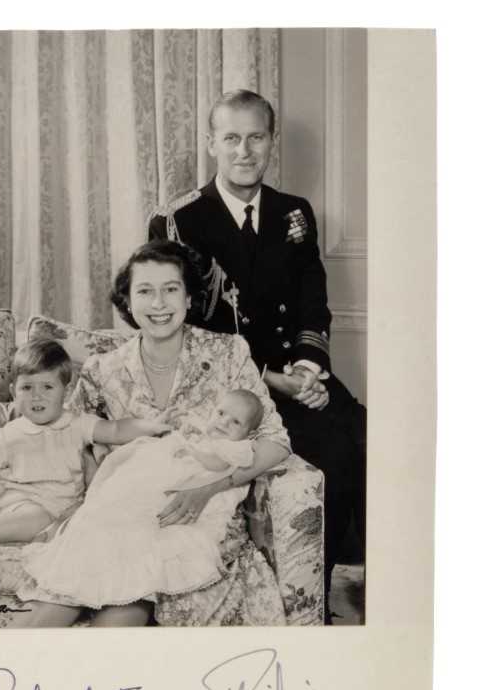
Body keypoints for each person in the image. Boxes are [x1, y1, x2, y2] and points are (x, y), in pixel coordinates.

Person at [148, 88, 366, 610]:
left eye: (255, 138)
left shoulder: (295, 213)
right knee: (329, 453)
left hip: (296, 370)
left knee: (361, 436)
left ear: (270, 143)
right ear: (211, 145)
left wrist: (310, 368)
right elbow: (185, 329)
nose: (244, 151)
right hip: (227, 390)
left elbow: (314, 300)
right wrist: (272, 378)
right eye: (231, 138)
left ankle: (328, 590)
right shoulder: (178, 222)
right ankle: (305, 603)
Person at [16, 239, 294, 628]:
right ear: (128, 301)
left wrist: (209, 488)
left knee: (119, 616)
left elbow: (277, 441)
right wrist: (93, 486)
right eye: (145, 291)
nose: (159, 304)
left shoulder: (229, 353)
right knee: (49, 609)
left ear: (189, 297)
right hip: (118, 516)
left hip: (190, 527)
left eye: (170, 289)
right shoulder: (103, 369)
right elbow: (69, 441)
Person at [19, 389, 263, 607]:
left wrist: (190, 448)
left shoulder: (235, 449)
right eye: (220, 413)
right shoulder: (205, 434)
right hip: (165, 476)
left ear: (248, 434)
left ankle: (115, 555)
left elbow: (215, 463)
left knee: (146, 519)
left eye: (235, 422)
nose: (223, 423)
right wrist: (181, 427)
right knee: (130, 484)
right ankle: (87, 529)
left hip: (187, 489)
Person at [0, 338, 170, 562]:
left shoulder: (79, 424)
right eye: (26, 387)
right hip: (17, 499)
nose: (36, 396)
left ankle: (46, 535)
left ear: (66, 392)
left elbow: (116, 430)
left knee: (95, 520)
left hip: (64, 506)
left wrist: (153, 426)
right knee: (36, 516)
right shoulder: (8, 436)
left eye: (47, 386)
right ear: (13, 391)